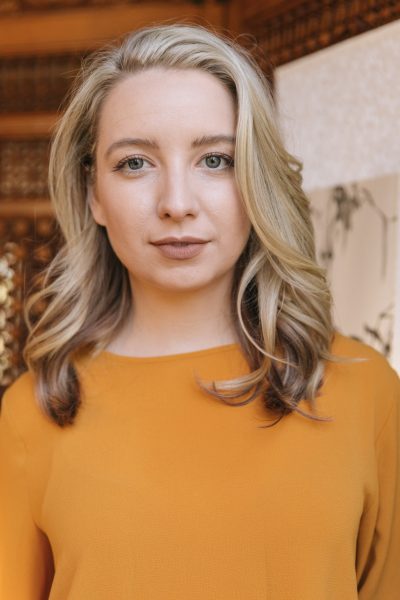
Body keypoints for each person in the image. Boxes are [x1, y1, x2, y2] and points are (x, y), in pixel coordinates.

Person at [0, 22, 399, 600]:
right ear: (93, 194)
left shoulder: (367, 392)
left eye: (215, 159)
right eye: (135, 163)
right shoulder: (31, 412)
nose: (177, 204)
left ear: (257, 180)